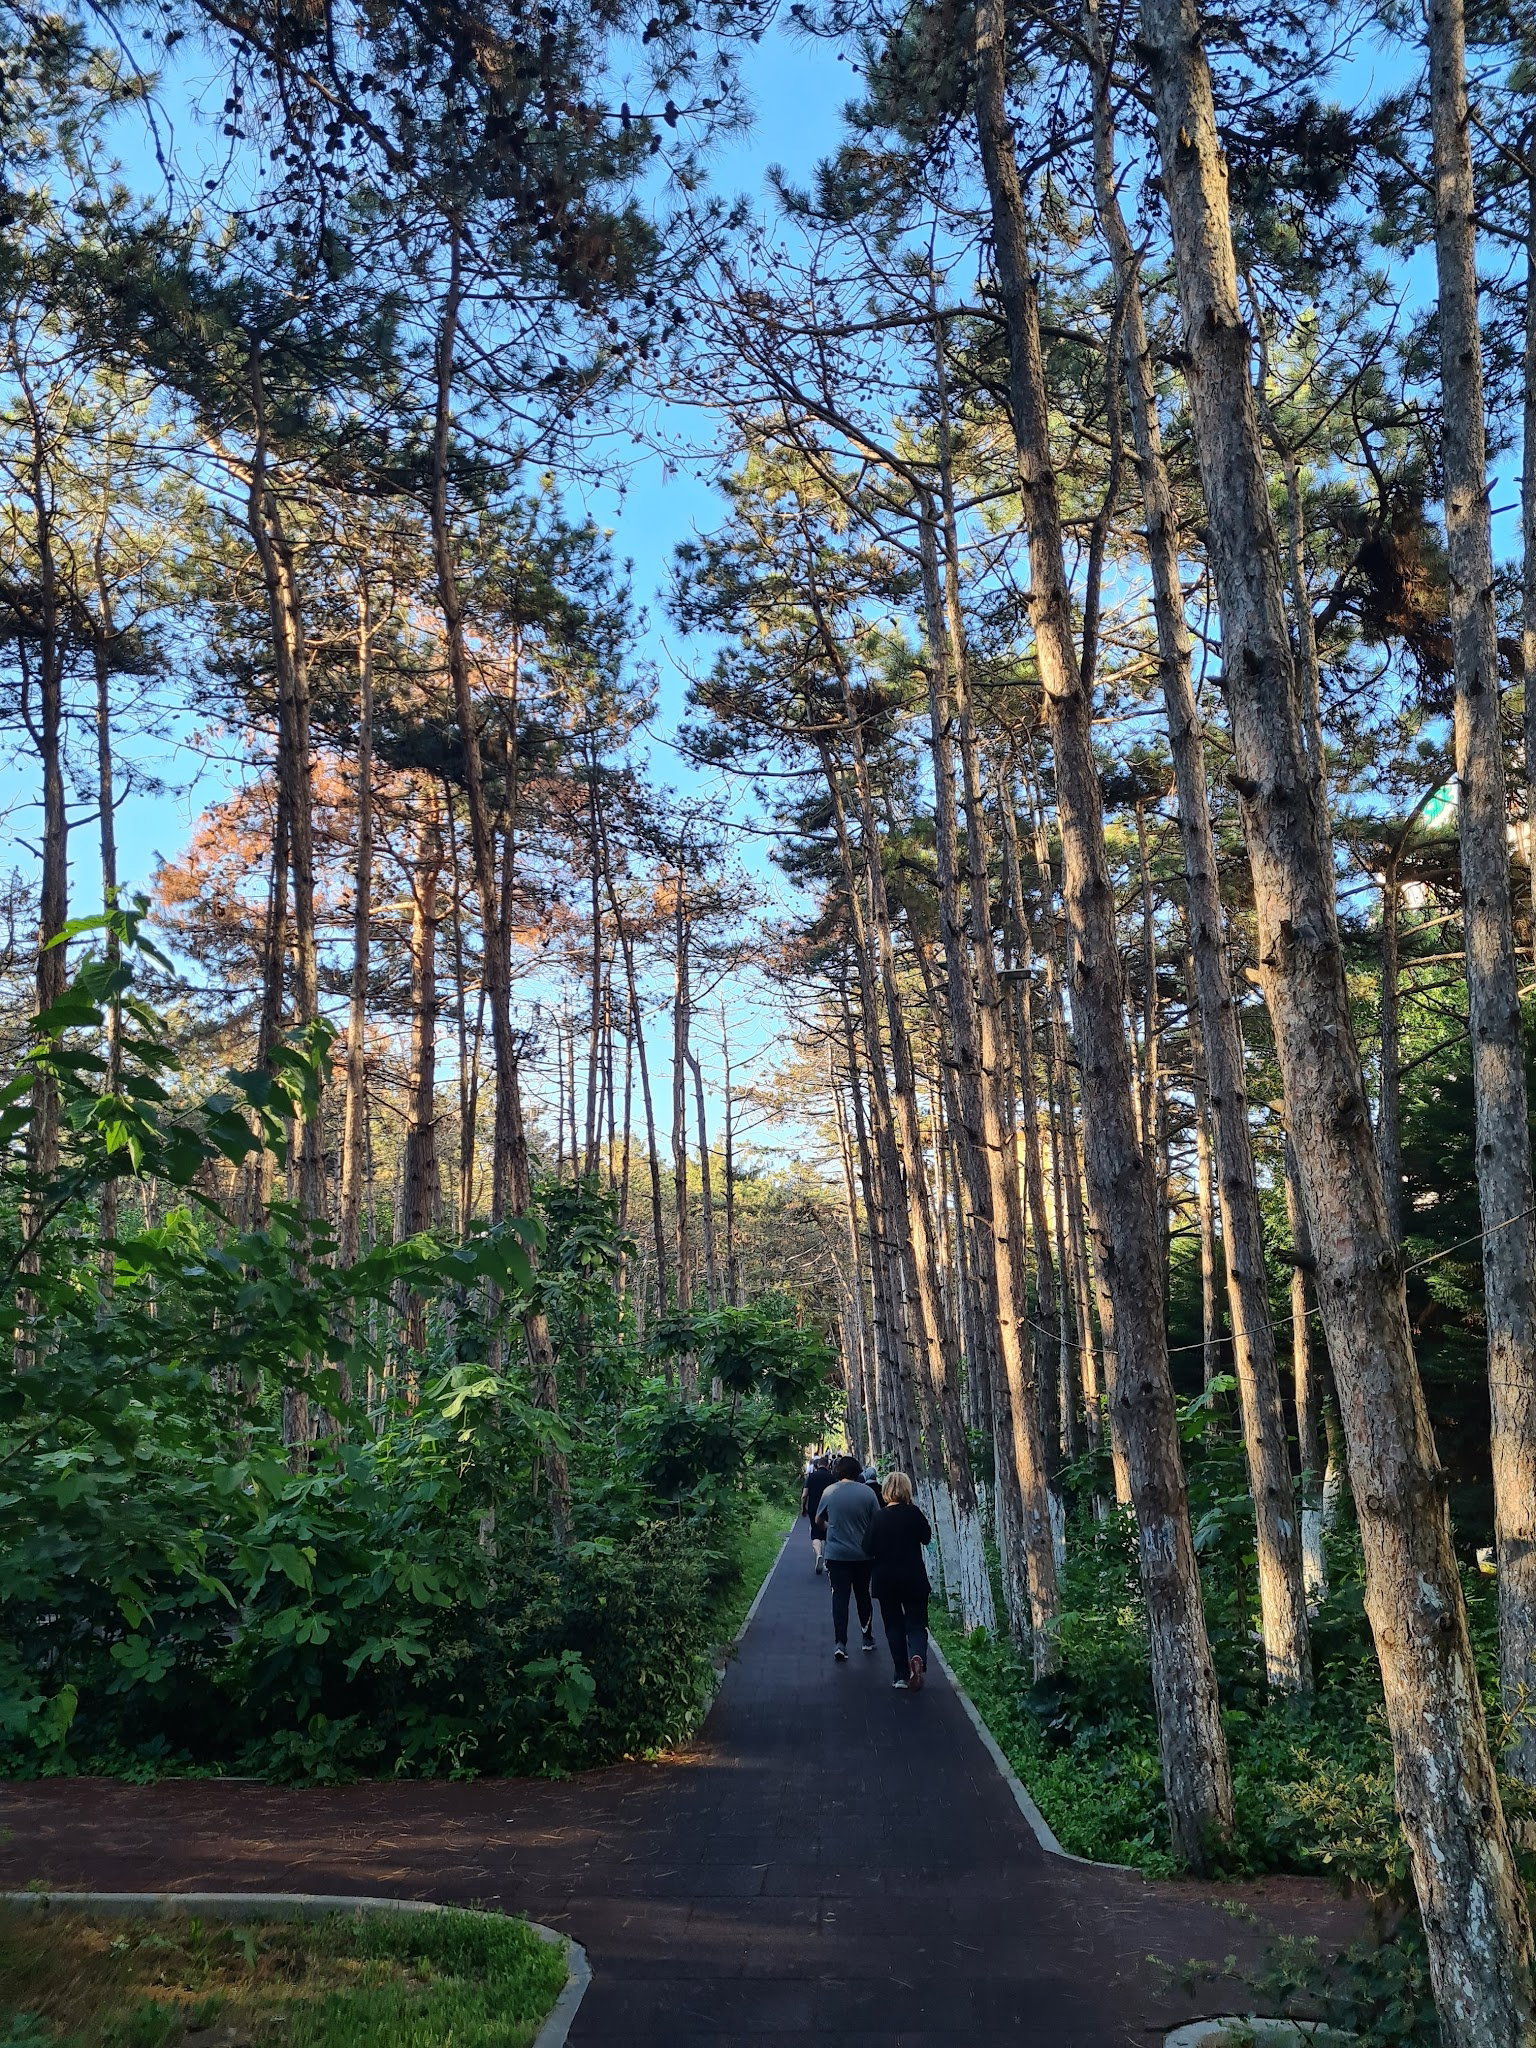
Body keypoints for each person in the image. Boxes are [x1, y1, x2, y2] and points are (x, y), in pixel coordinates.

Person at [868, 1471, 931, 1691]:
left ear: (885, 1491)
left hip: (886, 1580)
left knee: (893, 1625)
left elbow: (866, 1546)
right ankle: (917, 1655)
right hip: (914, 1578)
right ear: (907, 1490)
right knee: (916, 1623)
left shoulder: (879, 1516)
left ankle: (901, 1675)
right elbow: (927, 1537)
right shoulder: (914, 1513)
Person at [814, 1454, 880, 1659]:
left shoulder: (830, 1491)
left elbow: (818, 1519)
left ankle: (840, 1643)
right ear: (858, 1471)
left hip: (836, 1555)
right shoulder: (868, 1493)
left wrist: (830, 1527)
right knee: (862, 1596)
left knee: (839, 1598)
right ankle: (867, 1637)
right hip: (863, 1555)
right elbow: (877, 1522)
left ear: (838, 1471)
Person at [802, 1454, 834, 1575]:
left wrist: (803, 1507)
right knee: (826, 1533)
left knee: (815, 1533)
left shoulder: (811, 1477)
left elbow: (805, 1494)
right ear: (827, 1465)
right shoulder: (831, 1478)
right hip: (828, 1509)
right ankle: (825, 1558)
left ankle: (818, 1553)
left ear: (817, 1465)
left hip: (813, 1508)